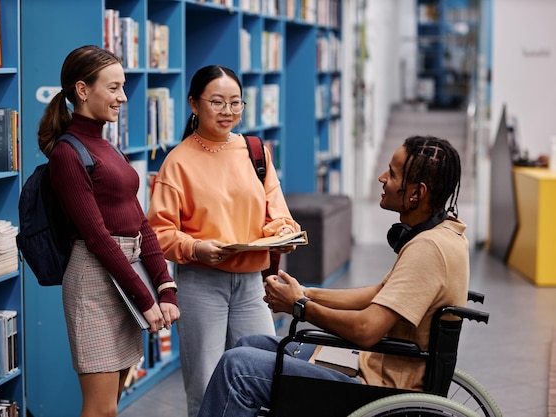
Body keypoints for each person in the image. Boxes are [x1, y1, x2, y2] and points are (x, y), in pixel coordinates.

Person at [196, 135, 469, 417]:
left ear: (417, 193)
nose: (382, 178)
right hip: (373, 370)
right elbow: (379, 294)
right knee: (249, 344)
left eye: (393, 173)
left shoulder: (427, 249)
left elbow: (366, 330)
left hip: (376, 389)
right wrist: (307, 293)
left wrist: (299, 308)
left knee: (237, 368)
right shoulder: (446, 235)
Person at [146, 64, 300, 417]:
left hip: (251, 285)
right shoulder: (178, 161)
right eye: (216, 102)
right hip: (201, 283)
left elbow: (277, 213)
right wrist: (194, 247)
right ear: (194, 105)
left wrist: (282, 234)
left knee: (266, 373)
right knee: (205, 384)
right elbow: (159, 232)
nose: (228, 111)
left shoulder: (255, 152)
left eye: (235, 102)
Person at [37, 45, 180, 417]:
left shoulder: (106, 145)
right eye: (114, 88)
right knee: (101, 410)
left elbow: (140, 221)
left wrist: (165, 286)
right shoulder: (68, 154)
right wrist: (145, 300)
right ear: (82, 90)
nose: (123, 97)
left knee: (112, 404)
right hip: (95, 286)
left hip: (126, 275)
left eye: (123, 87)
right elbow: (98, 237)